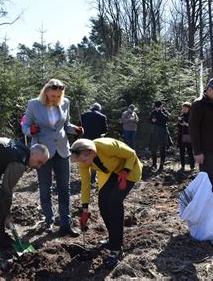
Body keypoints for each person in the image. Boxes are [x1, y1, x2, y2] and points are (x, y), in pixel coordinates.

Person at [22, 78, 83, 237]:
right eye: (53, 96)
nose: (56, 99)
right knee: (45, 187)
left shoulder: (65, 103)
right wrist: (31, 131)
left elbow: (65, 125)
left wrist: (75, 129)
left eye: (58, 96)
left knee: (65, 188)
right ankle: (49, 221)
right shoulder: (34, 104)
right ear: (46, 92)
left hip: (62, 150)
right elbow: (25, 126)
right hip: (43, 151)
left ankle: (65, 224)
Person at [70, 138, 142, 267]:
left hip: (129, 170)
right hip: (112, 174)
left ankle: (116, 248)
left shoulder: (106, 146)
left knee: (114, 203)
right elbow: (85, 183)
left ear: (92, 152)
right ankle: (113, 238)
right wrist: (85, 208)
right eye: (80, 161)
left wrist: (125, 172)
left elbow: (131, 154)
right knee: (103, 203)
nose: (83, 163)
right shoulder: (83, 160)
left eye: (84, 160)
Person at [80, 102, 108, 185]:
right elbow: (105, 130)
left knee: (84, 157)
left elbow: (79, 126)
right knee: (95, 158)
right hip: (96, 140)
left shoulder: (84, 115)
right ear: (99, 109)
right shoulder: (102, 117)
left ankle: (84, 177)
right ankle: (92, 178)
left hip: (85, 139)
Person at [149, 101, 170, 171]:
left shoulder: (164, 112)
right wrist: (152, 120)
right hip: (154, 133)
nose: (156, 108)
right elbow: (149, 120)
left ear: (161, 106)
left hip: (162, 133)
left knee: (162, 149)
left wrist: (160, 112)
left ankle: (162, 164)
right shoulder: (153, 112)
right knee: (153, 149)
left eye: (158, 106)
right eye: (156, 106)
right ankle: (154, 163)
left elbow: (167, 119)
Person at [177, 102, 194, 172]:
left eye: (186, 107)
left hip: (189, 136)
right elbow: (178, 126)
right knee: (182, 152)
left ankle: (192, 167)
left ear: (189, 108)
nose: (184, 109)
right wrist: (180, 122)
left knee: (190, 152)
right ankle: (182, 166)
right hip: (181, 136)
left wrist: (186, 124)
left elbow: (193, 126)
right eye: (183, 107)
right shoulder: (181, 115)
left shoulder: (192, 116)